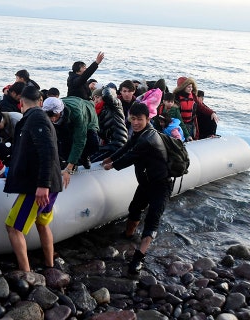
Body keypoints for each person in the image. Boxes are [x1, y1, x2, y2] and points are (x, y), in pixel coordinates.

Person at [101, 102, 171, 275]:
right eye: (132, 119)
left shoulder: (149, 139)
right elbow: (127, 147)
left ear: (148, 119)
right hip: (146, 183)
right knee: (134, 209)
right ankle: (128, 236)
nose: (135, 123)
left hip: (161, 185)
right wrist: (110, 157)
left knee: (152, 219)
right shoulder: (139, 133)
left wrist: (113, 165)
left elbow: (131, 157)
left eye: (139, 119)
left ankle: (139, 257)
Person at [4, 85, 63, 272]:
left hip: (38, 187)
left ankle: (26, 273)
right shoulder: (40, 117)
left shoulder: (36, 118)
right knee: (42, 223)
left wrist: (42, 185)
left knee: (13, 227)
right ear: (40, 101)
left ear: (20, 102)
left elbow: (47, 152)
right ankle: (49, 266)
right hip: (50, 184)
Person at [43, 96, 99, 177]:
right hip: (66, 119)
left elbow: (79, 140)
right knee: (64, 143)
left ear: (60, 111)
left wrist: (69, 167)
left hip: (87, 116)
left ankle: (83, 157)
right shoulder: (46, 113)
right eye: (49, 116)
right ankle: (70, 162)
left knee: (93, 143)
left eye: (54, 115)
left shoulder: (77, 114)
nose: (53, 119)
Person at [90, 87, 128, 162]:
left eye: (98, 97)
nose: (96, 100)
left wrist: (105, 88)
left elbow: (108, 96)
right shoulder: (98, 113)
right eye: (94, 98)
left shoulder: (114, 106)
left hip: (118, 144)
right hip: (110, 144)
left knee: (91, 161)